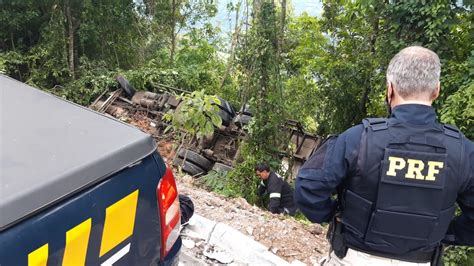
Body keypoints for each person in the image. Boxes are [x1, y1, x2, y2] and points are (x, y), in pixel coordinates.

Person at [295, 46, 474, 265]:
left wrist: (334, 215)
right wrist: (446, 233)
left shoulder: (358, 138)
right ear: (437, 90)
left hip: (353, 258)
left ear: (390, 89)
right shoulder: (464, 152)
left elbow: (308, 187)